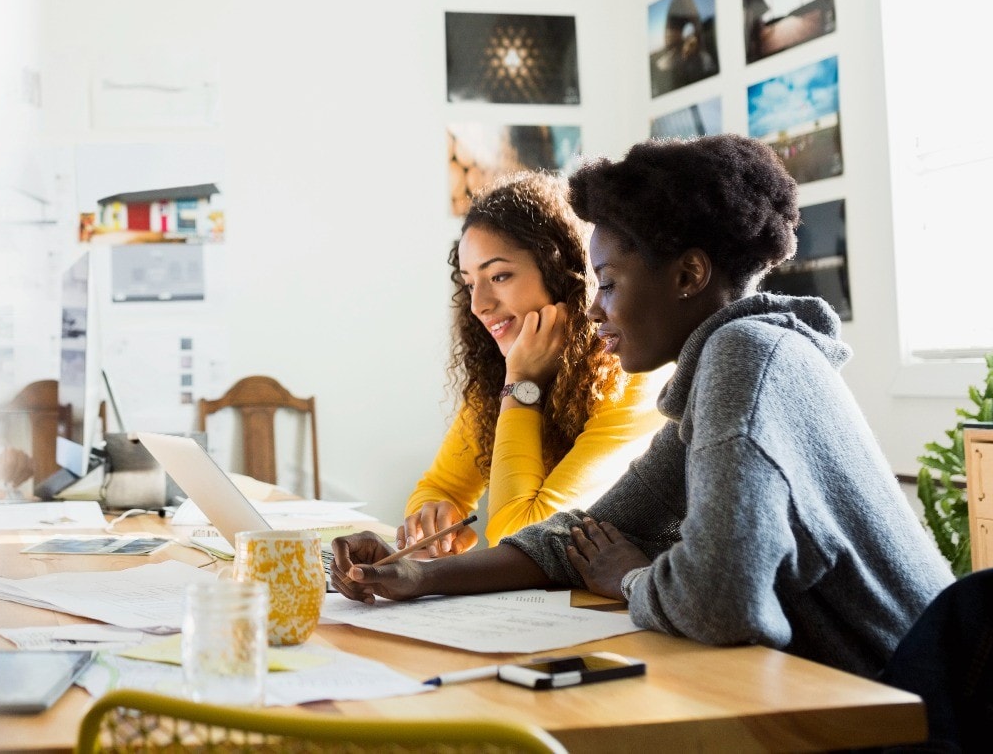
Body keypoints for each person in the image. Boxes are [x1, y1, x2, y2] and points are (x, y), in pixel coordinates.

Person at [333, 135, 954, 678]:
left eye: (606, 283)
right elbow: (586, 535)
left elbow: (721, 604)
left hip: (915, 705)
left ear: (688, 276)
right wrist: (416, 578)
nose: (595, 308)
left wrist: (629, 578)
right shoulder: (727, 365)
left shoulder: (746, 359)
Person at [402, 171, 665, 556]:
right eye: (470, 283)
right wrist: (431, 516)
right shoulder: (499, 374)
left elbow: (523, 535)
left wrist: (522, 385)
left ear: (560, 274)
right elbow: (440, 488)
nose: (478, 306)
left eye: (500, 275)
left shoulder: (632, 375)